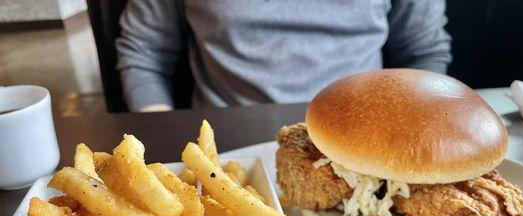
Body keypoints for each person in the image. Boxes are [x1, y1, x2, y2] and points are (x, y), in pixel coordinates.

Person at [116, 0, 451, 112]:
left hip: (363, 134)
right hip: (223, 146)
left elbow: (423, 53)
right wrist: (161, 144)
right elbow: (143, 52)